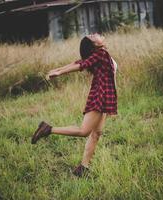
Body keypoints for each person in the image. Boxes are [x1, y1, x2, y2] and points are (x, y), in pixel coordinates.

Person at [31, 33, 118, 177]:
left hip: (105, 97)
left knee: (96, 133)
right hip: (100, 96)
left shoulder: (100, 54)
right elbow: (80, 65)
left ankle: (83, 169)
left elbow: (77, 62)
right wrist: (59, 72)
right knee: (84, 131)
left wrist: (58, 69)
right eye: (92, 36)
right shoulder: (101, 54)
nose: (95, 34)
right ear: (94, 45)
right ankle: (48, 129)